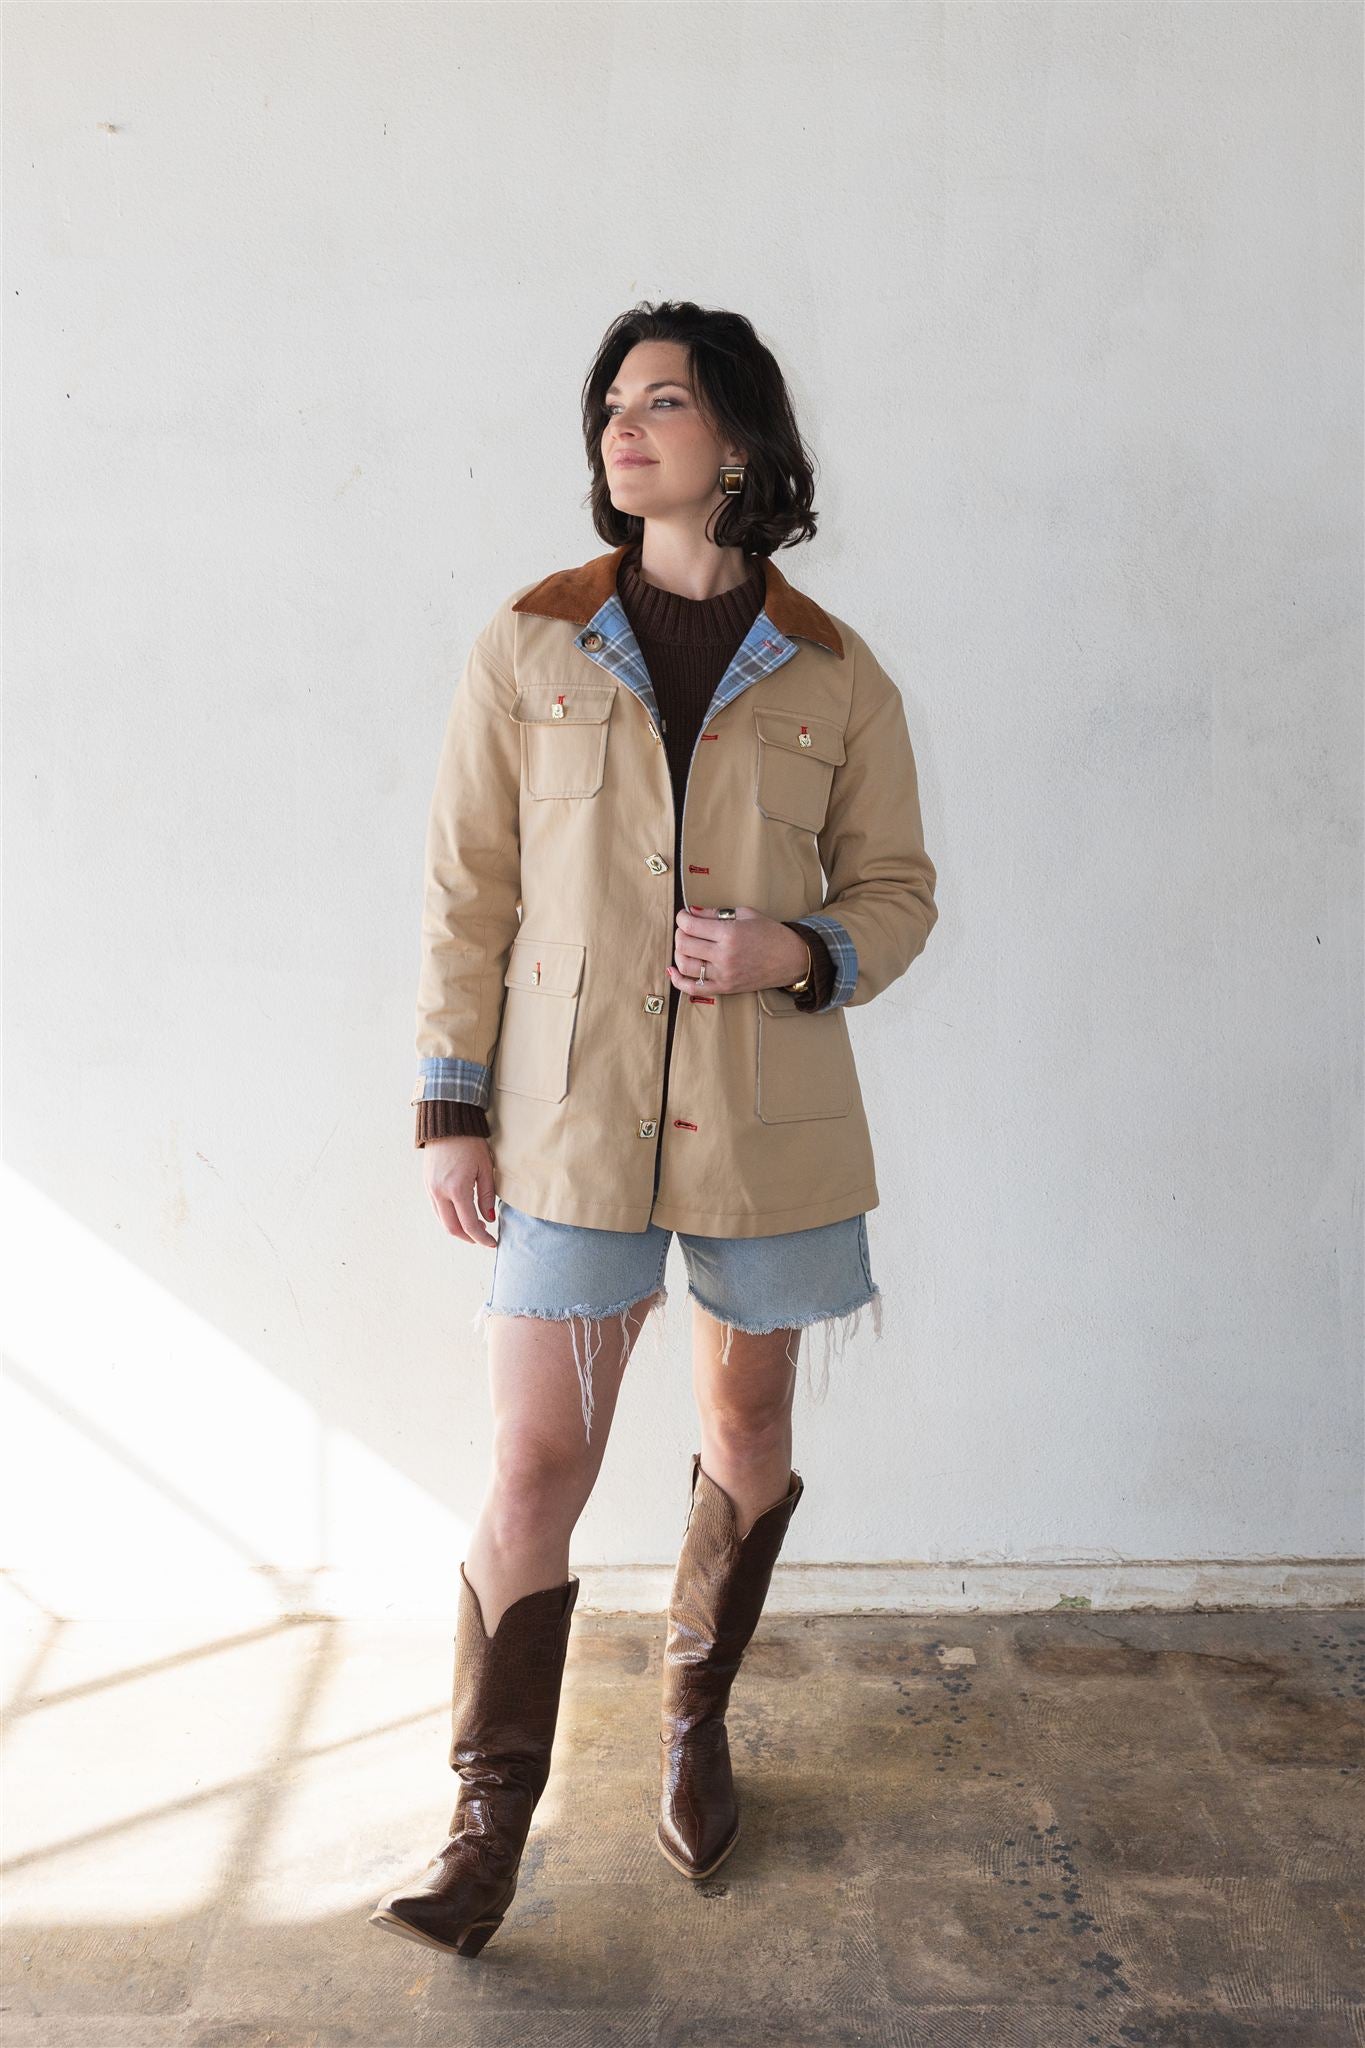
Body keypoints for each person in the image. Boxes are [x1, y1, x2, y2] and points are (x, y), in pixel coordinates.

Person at [370, 300, 939, 1956]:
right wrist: (449, 1113)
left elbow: (896, 895)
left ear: (741, 445)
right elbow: (466, 889)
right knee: (535, 1458)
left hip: (764, 1123)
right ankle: (485, 1823)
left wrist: (796, 952)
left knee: (744, 1430)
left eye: (664, 403)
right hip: (565, 1122)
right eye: (610, 404)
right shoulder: (529, 642)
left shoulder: (837, 673)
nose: (624, 429)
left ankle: (694, 1716)